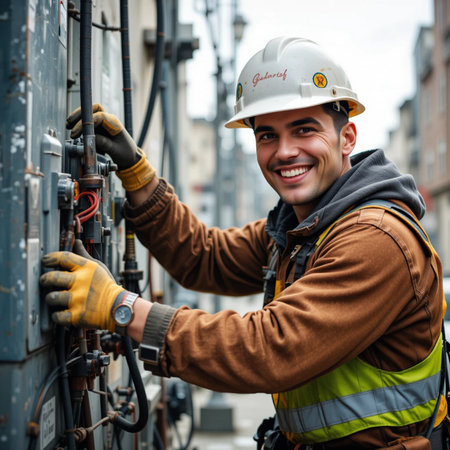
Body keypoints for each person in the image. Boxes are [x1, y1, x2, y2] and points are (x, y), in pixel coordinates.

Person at [40, 37, 447, 449]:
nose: (285, 151)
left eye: (304, 129)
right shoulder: (303, 230)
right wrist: (140, 178)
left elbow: (270, 347)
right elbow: (204, 256)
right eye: (267, 135)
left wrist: (121, 309)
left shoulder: (375, 238)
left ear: (347, 138)